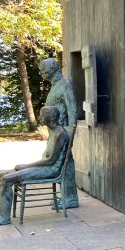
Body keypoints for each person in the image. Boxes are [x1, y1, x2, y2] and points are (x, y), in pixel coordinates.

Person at [0, 106, 70, 227]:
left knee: (6, 179)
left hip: (51, 170)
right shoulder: (53, 131)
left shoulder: (60, 134)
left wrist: (26, 166)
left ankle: (4, 218)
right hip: (44, 166)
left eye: (42, 115)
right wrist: (27, 166)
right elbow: (46, 159)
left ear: (51, 117)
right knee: (2, 175)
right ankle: (1, 213)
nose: (40, 117)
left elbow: (50, 161)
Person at [39, 58, 78, 208]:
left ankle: (70, 199)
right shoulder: (55, 86)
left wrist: (71, 134)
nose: (41, 72)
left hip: (63, 132)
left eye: (44, 69)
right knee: (62, 163)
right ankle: (67, 196)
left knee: (66, 163)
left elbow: (72, 109)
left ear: (53, 68)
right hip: (55, 132)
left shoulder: (65, 84)